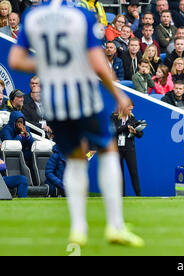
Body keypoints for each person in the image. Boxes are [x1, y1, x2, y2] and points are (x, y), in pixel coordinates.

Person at [9, 0, 143, 247]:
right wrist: (117, 93)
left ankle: (78, 228)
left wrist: (48, 64)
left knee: (74, 158)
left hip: (54, 101)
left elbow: (15, 61)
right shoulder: (80, 14)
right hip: (82, 94)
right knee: (107, 149)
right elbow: (96, 62)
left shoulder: (33, 16)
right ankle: (115, 225)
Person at [111, 101, 144, 196]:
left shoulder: (132, 118)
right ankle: (121, 196)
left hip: (130, 148)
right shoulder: (114, 117)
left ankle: (139, 195)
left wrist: (135, 132)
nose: (130, 111)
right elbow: (112, 131)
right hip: (117, 149)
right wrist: (126, 127)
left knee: (134, 172)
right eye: (129, 109)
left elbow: (140, 134)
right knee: (119, 175)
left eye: (131, 109)